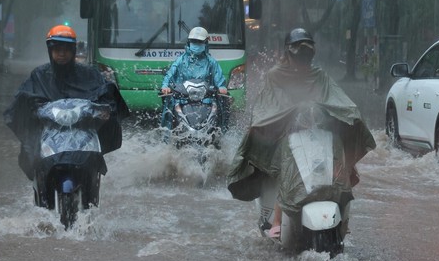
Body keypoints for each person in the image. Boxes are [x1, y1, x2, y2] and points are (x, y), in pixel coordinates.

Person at [227, 28, 375, 238]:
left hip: (319, 132)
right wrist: (282, 120)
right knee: (287, 162)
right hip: (284, 133)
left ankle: (343, 217)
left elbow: (337, 101)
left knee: (339, 159)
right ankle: (277, 219)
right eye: (298, 55)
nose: (302, 61)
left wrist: (351, 116)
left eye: (306, 55)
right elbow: (267, 108)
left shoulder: (319, 76)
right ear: (288, 54)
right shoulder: (275, 76)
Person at [4, 25, 129, 196]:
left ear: (73, 50)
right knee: (32, 156)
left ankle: (91, 195)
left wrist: (105, 110)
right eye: (57, 49)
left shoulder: (90, 74)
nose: (61, 54)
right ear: (50, 50)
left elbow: (106, 93)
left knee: (92, 167)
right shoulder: (39, 75)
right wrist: (32, 109)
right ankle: (41, 197)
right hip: (49, 135)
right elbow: (24, 98)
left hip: (83, 133)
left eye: (66, 49)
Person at [160, 26, 228, 129]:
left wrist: (221, 87)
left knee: (221, 109)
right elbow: (170, 74)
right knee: (169, 112)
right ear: (189, 42)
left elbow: (218, 77)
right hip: (183, 99)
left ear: (205, 43)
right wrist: (165, 86)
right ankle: (167, 136)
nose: (196, 44)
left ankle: (220, 133)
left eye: (199, 42)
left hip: (206, 99)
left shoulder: (211, 62)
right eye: (193, 41)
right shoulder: (181, 60)